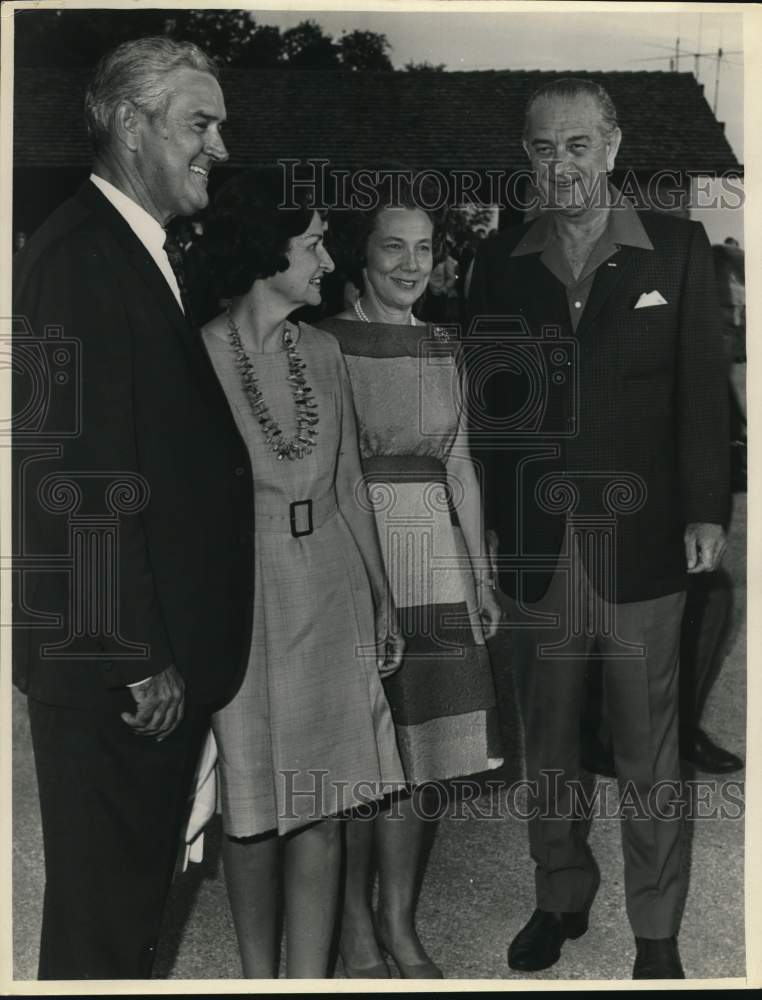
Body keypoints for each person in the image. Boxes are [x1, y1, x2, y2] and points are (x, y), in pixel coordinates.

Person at [468, 78, 729, 979]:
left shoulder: (678, 250)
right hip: (539, 550)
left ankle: (657, 932)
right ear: (526, 159)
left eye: (578, 145)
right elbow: (494, 412)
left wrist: (705, 508)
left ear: (613, 148)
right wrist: (494, 531)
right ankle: (560, 898)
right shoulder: (502, 263)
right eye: (543, 149)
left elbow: (703, 392)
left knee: (648, 746)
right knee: (549, 744)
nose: (561, 165)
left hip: (645, 543)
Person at [12, 38, 252, 979]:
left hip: (140, 669)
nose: (219, 148)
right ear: (126, 123)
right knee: (102, 934)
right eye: (200, 124)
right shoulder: (79, 258)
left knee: (127, 916)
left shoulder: (135, 251)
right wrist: (136, 656)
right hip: (114, 676)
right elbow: (70, 476)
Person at [198, 170, 405, 979]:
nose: (328, 258)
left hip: (330, 585)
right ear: (265, 250)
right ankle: (259, 978)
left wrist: (383, 599)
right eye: (314, 242)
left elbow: (350, 482)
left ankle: (310, 979)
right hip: (243, 598)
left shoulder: (323, 350)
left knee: (322, 802)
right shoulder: (198, 356)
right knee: (252, 810)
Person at [319, 180, 503, 979]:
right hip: (358, 556)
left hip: (435, 556)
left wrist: (482, 574)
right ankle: (355, 928)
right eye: (394, 245)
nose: (411, 263)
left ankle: (399, 922)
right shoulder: (322, 342)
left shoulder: (442, 343)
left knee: (425, 747)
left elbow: (459, 463)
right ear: (361, 252)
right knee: (367, 750)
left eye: (425, 248)